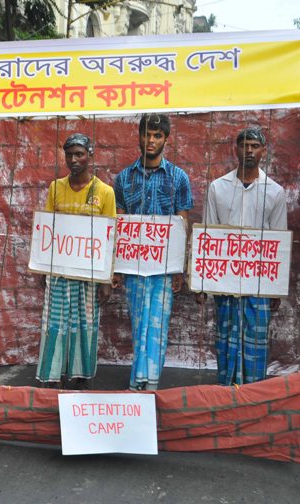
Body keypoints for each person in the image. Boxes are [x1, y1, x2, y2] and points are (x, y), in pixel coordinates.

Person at [113, 114, 193, 391]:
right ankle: (137, 382)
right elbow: (120, 224)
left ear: (166, 140)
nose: (151, 140)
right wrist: (116, 267)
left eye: (157, 136)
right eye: (146, 134)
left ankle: (152, 384)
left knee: (158, 324)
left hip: (164, 268)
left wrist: (180, 269)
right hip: (133, 265)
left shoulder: (178, 178)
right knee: (138, 323)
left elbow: (182, 224)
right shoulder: (124, 178)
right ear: (138, 136)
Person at [202, 127, 287, 385]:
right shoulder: (218, 188)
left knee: (256, 342)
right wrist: (203, 282)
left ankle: (252, 395)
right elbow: (208, 234)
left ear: (263, 151)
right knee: (226, 338)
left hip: (258, 283)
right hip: (225, 281)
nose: (249, 150)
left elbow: (278, 242)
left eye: (254, 146)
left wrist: (275, 289)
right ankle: (226, 393)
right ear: (236, 149)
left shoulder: (275, 192)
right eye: (244, 145)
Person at [36, 134, 115, 389]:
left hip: (89, 273)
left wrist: (107, 280)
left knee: (85, 325)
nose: (73, 159)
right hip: (59, 271)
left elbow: (109, 237)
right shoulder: (56, 188)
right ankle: (53, 375)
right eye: (69, 154)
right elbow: (47, 228)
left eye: (79, 154)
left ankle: (81, 377)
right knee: (55, 323)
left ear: (90, 155)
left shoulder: (104, 192)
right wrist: (41, 267)